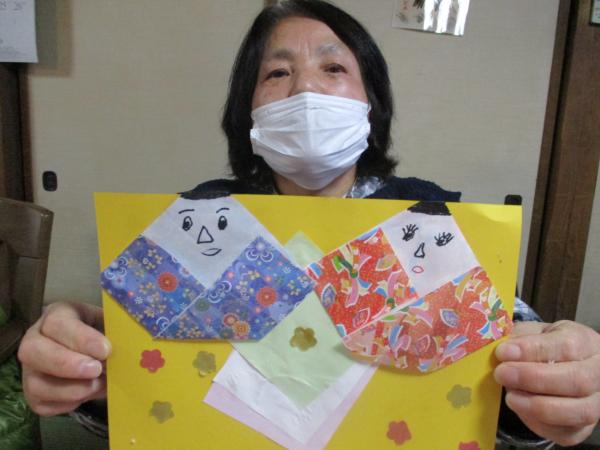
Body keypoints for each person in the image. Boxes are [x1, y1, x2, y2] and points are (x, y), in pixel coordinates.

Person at [17, 1, 600, 447]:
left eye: (333, 67)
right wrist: (85, 369)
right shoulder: (203, 216)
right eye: (277, 73)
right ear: (248, 110)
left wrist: (553, 380)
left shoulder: (425, 216)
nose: (305, 88)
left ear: (371, 105)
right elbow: (146, 380)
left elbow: (500, 359)